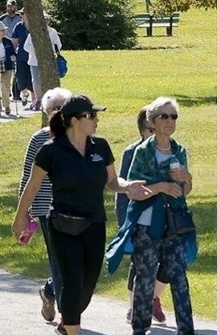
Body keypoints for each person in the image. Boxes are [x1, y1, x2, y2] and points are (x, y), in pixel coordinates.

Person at [12, 95, 150, 335]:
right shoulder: (51, 150)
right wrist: (19, 218)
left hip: (94, 223)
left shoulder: (101, 147)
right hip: (62, 225)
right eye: (91, 115)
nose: (96, 120)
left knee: (87, 285)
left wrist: (128, 186)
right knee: (72, 281)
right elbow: (32, 186)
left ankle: (67, 321)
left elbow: (112, 181)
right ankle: (72, 329)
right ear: (75, 121)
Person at [106, 97, 196, 335]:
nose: (169, 121)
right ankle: (140, 328)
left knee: (179, 278)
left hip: (175, 223)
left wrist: (186, 178)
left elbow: (185, 191)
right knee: (144, 279)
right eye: (163, 116)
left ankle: (186, 329)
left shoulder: (180, 150)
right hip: (147, 224)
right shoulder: (143, 152)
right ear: (152, 122)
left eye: (173, 116)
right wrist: (162, 187)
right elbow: (135, 190)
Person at [17, 88, 72, 325]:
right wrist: (23, 210)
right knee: (60, 260)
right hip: (45, 208)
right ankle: (67, 316)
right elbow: (28, 174)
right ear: (46, 112)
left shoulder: (78, 137)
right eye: (53, 109)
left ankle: (50, 291)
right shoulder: (39, 139)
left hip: (74, 206)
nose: (58, 113)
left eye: (63, 108)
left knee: (72, 262)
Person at [114, 106, 167, 324]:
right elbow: (122, 189)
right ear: (142, 129)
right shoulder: (131, 152)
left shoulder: (170, 150)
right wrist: (124, 222)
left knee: (170, 259)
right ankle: (134, 306)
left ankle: (152, 295)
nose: (155, 133)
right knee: (139, 262)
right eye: (150, 129)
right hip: (138, 217)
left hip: (165, 216)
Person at [23, 14, 61, 111]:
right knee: (36, 81)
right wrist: (35, 48)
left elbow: (58, 45)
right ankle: (39, 100)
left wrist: (51, 49)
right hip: (35, 61)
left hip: (49, 61)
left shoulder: (52, 32)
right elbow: (26, 47)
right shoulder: (33, 33)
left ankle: (50, 100)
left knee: (47, 80)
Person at [0, 21, 16, 116]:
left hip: (7, 64)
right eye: (2, 30)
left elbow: (13, 53)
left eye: (4, 30)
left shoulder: (8, 41)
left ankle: (6, 105)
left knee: (5, 86)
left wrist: (13, 57)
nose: (4, 32)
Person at [10, 11, 33, 106]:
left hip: (32, 56)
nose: (21, 15)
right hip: (21, 56)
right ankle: (25, 94)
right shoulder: (18, 26)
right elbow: (15, 42)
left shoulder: (34, 26)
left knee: (32, 79)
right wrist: (13, 53)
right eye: (21, 14)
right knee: (21, 79)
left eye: (23, 13)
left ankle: (35, 100)